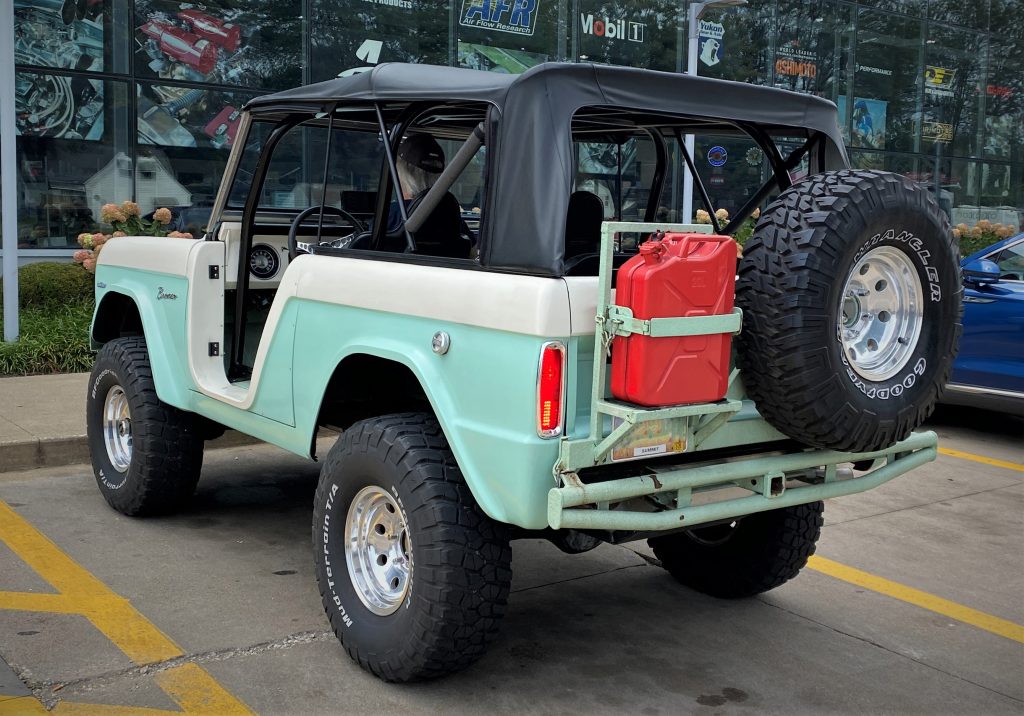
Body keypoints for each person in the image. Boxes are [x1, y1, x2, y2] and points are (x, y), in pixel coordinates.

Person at [386, 133, 446, 233]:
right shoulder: (449, 213)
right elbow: (470, 245)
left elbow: (366, 243)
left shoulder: (393, 214)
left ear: (401, 173)